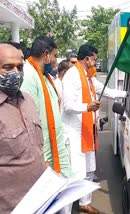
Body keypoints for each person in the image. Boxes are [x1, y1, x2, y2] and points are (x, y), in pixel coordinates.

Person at [62, 44, 127, 214]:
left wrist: (126, 94)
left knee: (90, 169)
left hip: (88, 130)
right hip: (75, 132)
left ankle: (85, 202)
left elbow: (105, 91)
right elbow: (68, 105)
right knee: (75, 174)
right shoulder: (72, 75)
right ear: (87, 58)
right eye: (95, 59)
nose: (96, 62)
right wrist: (87, 106)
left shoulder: (88, 77)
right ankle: (67, 210)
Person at [0, 43, 46, 213]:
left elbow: (36, 147)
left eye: (19, 67)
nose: (15, 73)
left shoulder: (28, 101)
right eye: (7, 67)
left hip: (41, 201)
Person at [20, 36, 71, 178]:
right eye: (55, 55)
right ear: (46, 54)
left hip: (54, 144)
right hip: (43, 151)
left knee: (65, 184)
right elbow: (29, 120)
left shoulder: (43, 76)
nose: (56, 60)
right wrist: (40, 160)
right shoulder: (29, 75)